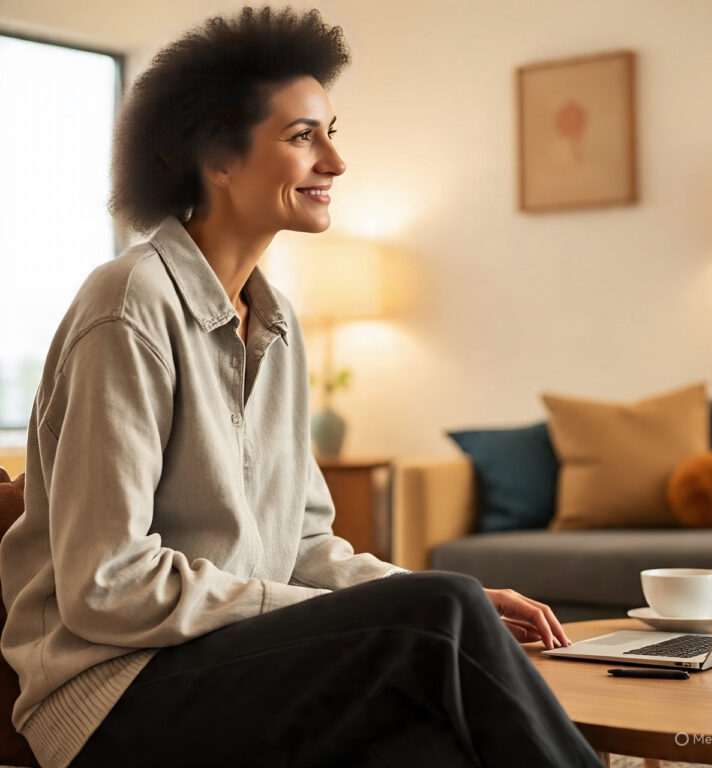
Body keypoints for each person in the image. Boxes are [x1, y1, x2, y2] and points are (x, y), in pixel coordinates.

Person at [0, 7, 604, 768]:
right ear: (217, 159)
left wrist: (440, 602)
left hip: (234, 666)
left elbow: (308, 547)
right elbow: (107, 586)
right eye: (301, 137)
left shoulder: (276, 321)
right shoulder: (129, 304)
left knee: (439, 740)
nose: (336, 161)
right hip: (112, 695)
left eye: (331, 132)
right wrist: (393, 610)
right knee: (439, 610)